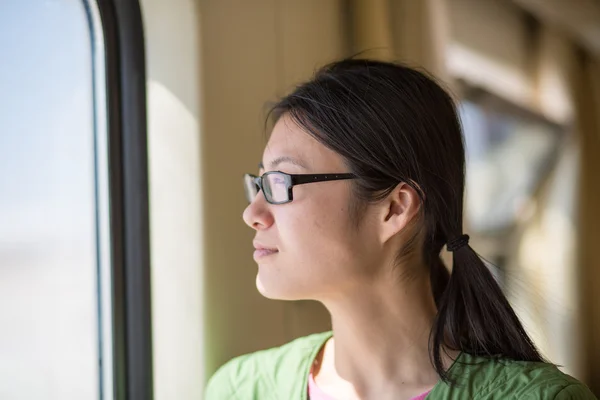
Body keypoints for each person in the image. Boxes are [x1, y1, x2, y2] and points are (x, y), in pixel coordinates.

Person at [205, 59, 596, 399]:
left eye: (280, 183)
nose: (252, 213)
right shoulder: (240, 390)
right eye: (258, 184)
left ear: (394, 208)